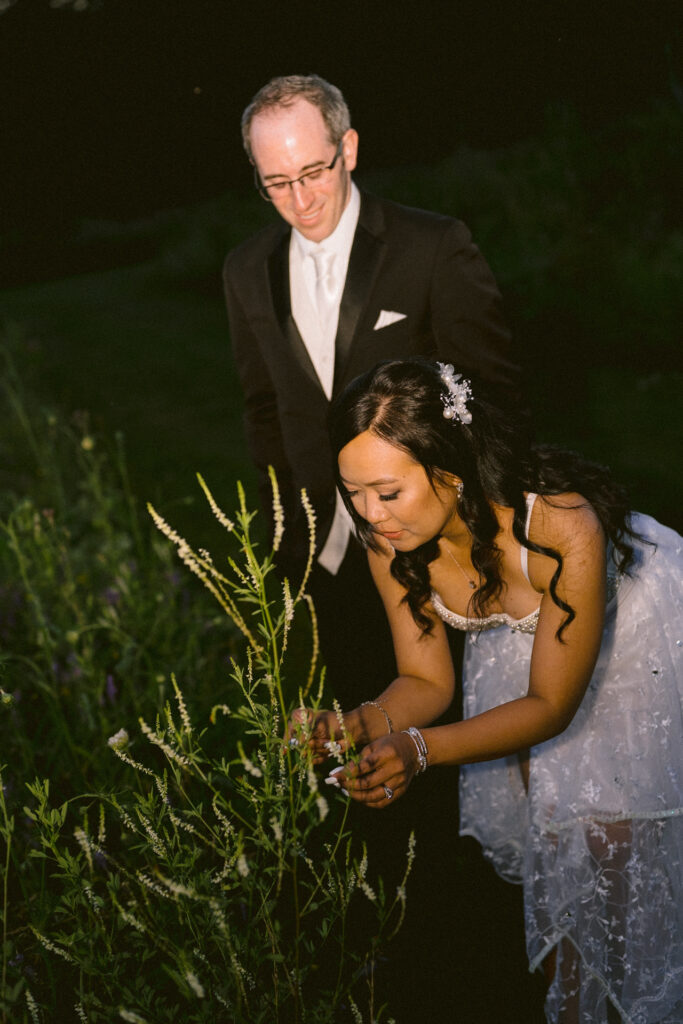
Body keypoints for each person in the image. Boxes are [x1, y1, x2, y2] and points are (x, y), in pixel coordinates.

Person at [308, 357, 683, 1023]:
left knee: (609, 849)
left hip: (635, 645)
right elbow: (424, 680)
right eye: (352, 492)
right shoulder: (384, 540)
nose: (369, 514)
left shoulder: (560, 526)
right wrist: (360, 724)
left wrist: (418, 752)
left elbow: (551, 704)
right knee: (555, 842)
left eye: (388, 493)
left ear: (450, 470)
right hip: (523, 653)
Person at [223, 74, 521, 706]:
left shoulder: (433, 246)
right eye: (276, 182)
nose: (300, 200)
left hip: (437, 549)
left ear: (349, 148)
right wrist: (287, 524)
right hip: (323, 551)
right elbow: (263, 407)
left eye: (314, 172)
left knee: (460, 721)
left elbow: (491, 396)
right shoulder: (245, 270)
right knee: (361, 723)